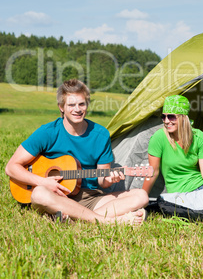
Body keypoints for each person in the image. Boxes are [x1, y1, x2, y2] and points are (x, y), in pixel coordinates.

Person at [6, 79, 148, 225]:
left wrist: (109, 179)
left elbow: (102, 181)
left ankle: (72, 217)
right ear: (61, 107)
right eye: (71, 105)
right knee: (39, 194)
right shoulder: (48, 132)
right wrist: (43, 182)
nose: (77, 109)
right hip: (53, 195)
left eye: (81, 104)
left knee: (141, 196)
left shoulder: (101, 135)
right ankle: (107, 221)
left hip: (88, 197)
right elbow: (11, 167)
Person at [142, 94, 203, 195]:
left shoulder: (199, 136)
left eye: (171, 117)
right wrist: (142, 197)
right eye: (163, 117)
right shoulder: (159, 137)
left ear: (183, 117)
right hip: (178, 195)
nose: (166, 121)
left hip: (201, 187)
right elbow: (152, 173)